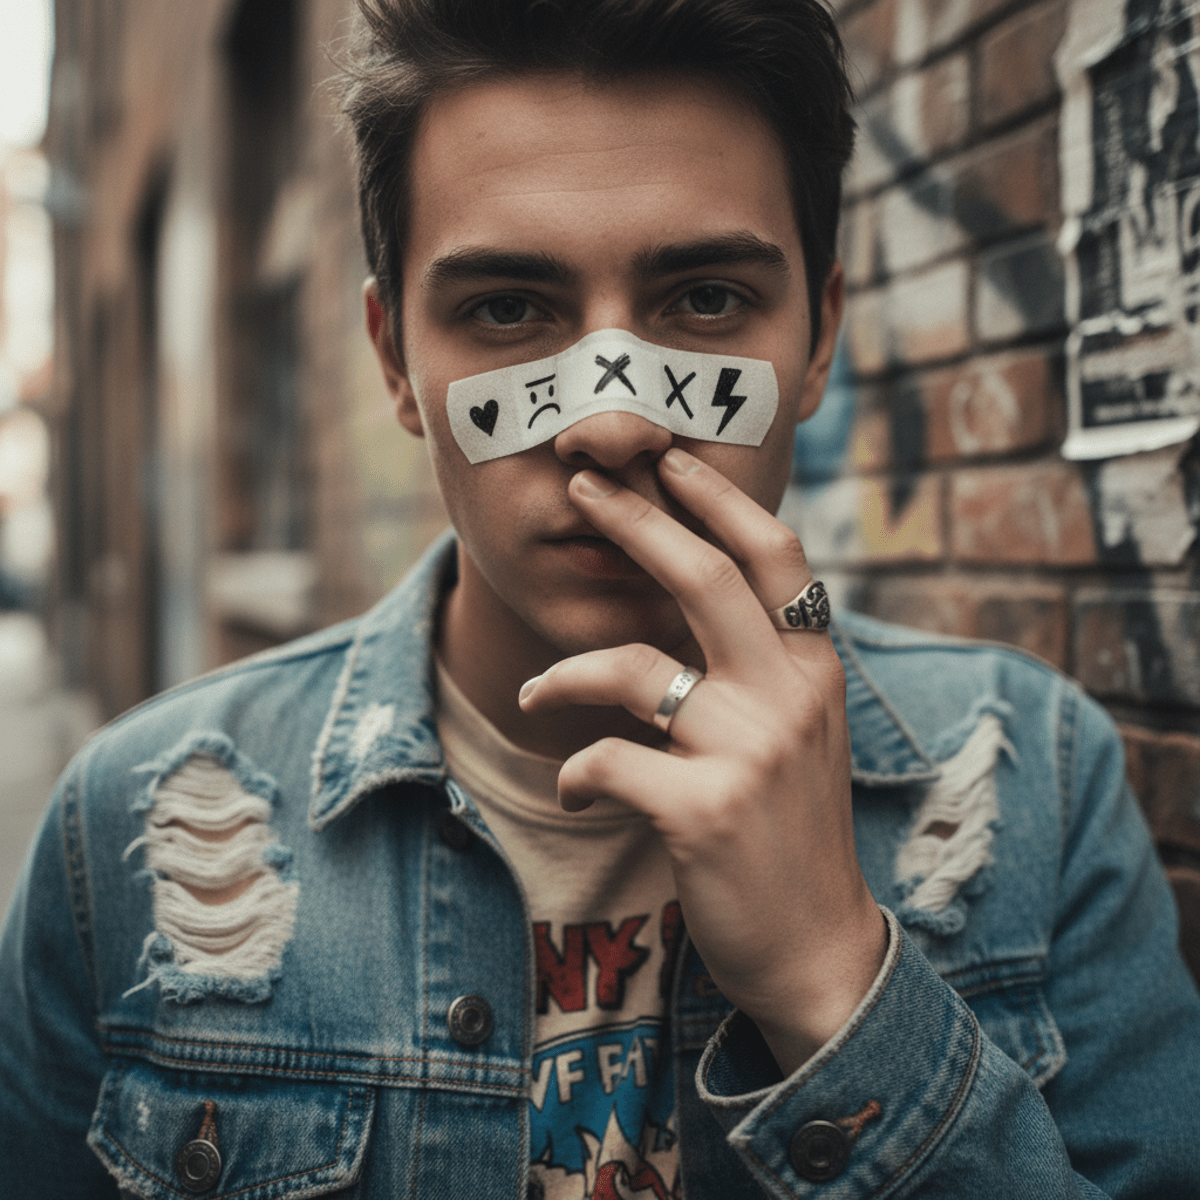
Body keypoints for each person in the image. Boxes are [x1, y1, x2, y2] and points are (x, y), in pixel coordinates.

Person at [2, 0, 1198, 1195]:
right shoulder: (134, 835)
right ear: (394, 363)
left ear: (820, 335)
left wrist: (836, 982)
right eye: (508, 310)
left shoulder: (1029, 785)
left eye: (708, 300)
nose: (614, 422)